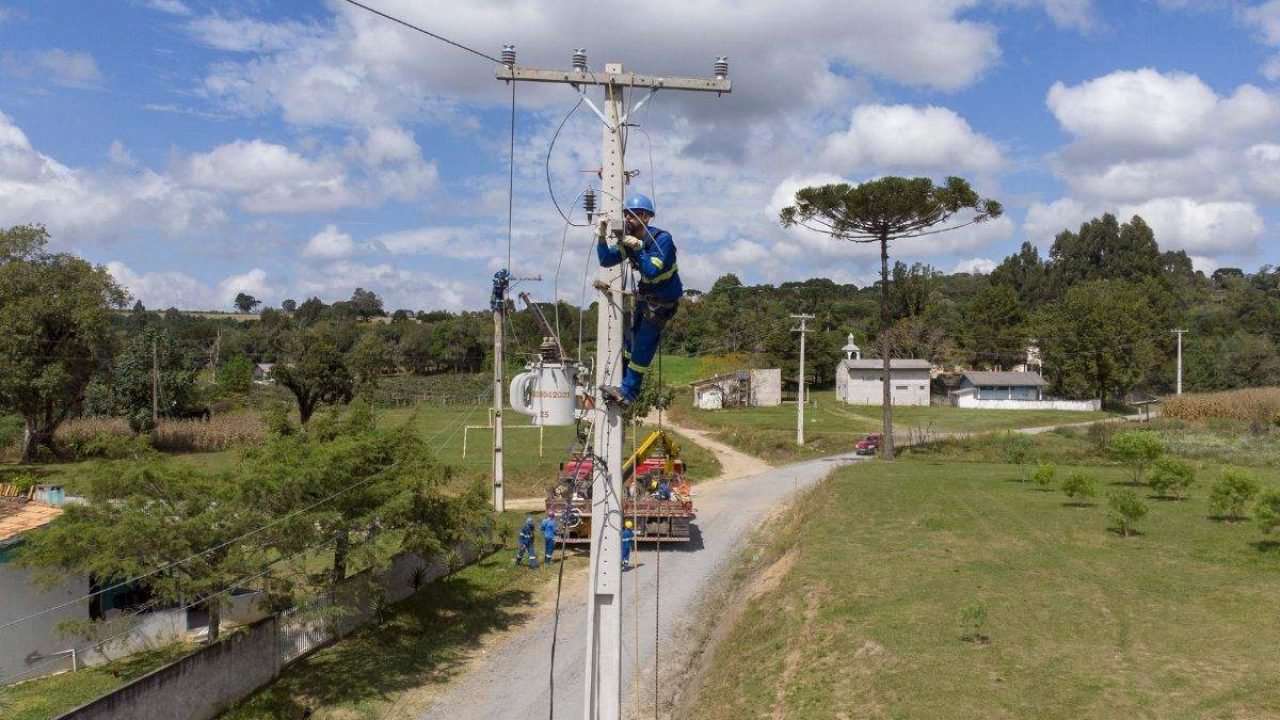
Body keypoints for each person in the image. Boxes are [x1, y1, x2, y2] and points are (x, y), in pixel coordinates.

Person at [596, 194, 682, 408]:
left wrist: (638, 248)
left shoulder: (662, 240)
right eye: (626, 214)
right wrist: (601, 237)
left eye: (632, 215)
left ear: (646, 217)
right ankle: (621, 383)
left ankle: (628, 393)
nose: (627, 219)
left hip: (661, 305)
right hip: (646, 301)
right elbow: (606, 260)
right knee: (629, 345)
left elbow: (652, 271)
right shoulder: (630, 241)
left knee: (642, 349)